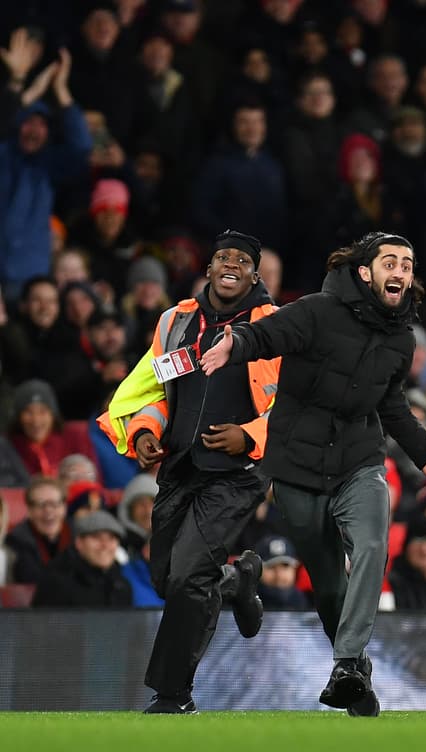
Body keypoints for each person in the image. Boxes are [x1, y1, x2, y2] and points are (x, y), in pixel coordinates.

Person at [199, 231, 426, 718]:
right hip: (296, 467)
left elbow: (391, 405)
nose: (400, 272)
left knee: (372, 546)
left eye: (407, 265)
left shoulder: (402, 338)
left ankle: (343, 664)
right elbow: (264, 335)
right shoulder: (317, 311)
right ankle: (356, 672)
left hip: (359, 461)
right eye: (390, 262)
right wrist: (233, 344)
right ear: (365, 272)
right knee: (327, 584)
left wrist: (425, 451)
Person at [96, 230, 280, 714]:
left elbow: (297, 407)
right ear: (209, 267)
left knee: (187, 578)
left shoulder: (278, 327)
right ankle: (235, 581)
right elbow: (156, 390)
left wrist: (250, 436)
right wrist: (144, 431)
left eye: (242, 260)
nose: (231, 264)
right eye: (223, 256)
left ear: (254, 275)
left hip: (239, 472)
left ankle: (173, 694)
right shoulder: (175, 321)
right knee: (168, 581)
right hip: (179, 464)